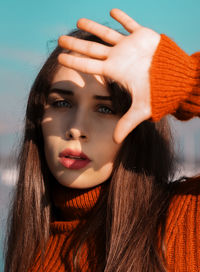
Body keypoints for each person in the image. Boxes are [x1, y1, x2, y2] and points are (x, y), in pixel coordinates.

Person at [4, 8, 200, 272]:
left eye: (105, 109)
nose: (76, 128)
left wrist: (187, 81)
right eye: (62, 103)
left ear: (137, 128)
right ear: (39, 118)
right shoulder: (30, 248)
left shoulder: (184, 219)